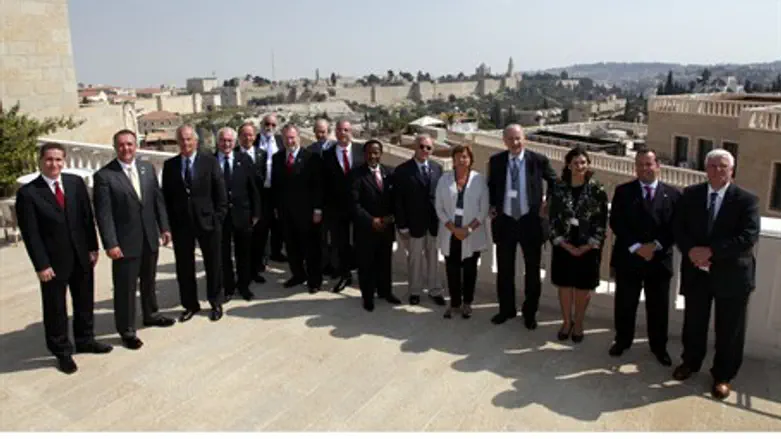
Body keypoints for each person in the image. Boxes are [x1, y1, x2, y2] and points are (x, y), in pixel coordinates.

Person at [16, 143, 112, 374]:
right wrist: (41, 265)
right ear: (40, 161)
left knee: (84, 301)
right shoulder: (29, 194)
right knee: (55, 308)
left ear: (64, 161)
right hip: (53, 262)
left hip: (81, 255)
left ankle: (85, 339)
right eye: (49, 159)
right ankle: (62, 351)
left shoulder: (74, 183)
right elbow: (32, 235)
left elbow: (87, 218)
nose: (54, 164)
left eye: (58, 159)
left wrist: (93, 247)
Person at [672, 149, 760, 400]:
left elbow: (747, 237)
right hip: (696, 272)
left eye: (723, 166)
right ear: (705, 168)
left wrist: (710, 252)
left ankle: (723, 376)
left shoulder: (747, 200)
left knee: (730, 328)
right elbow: (679, 227)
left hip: (732, 274)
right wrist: (691, 250)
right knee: (694, 322)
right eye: (712, 165)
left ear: (732, 170)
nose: (717, 170)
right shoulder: (690, 195)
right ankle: (690, 362)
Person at [93, 129, 176, 351]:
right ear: (115, 147)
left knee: (149, 281)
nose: (126, 149)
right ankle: (127, 330)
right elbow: (104, 214)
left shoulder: (146, 168)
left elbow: (157, 200)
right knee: (125, 288)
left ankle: (151, 314)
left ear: (135, 145)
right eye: (121, 145)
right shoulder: (104, 176)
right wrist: (110, 243)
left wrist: (164, 227)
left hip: (149, 237)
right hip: (124, 243)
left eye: (130, 144)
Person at [609, 148, 680, 365]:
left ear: (658, 166)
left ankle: (659, 347)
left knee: (658, 308)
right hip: (629, 258)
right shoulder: (623, 191)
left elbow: (676, 227)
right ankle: (622, 341)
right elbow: (617, 223)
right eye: (640, 164)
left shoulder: (674, 195)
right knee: (624, 304)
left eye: (648, 164)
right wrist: (637, 246)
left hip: (658, 262)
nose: (644, 168)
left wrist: (655, 246)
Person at [487, 124, 558, 329]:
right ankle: (506, 309)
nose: (515, 143)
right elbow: (492, 186)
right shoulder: (496, 161)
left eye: (518, 138)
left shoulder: (538, 160)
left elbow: (555, 182)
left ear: (524, 138)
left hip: (531, 223)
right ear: (504, 141)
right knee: (505, 270)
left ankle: (529, 313)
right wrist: (492, 206)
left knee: (533, 272)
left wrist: (548, 202)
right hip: (505, 222)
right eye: (510, 139)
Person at [162, 124, 228, 322]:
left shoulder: (209, 162)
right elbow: (166, 197)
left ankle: (216, 302)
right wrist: (167, 225)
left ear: (196, 141)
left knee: (213, 264)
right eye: (182, 139)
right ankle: (190, 305)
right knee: (184, 267)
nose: (185, 143)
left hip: (208, 223)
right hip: (182, 225)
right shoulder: (170, 165)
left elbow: (220, 194)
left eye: (189, 139)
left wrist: (217, 219)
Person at [548, 147, 609, 343]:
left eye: (583, 162)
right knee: (565, 285)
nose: (579, 166)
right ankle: (566, 322)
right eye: (575, 163)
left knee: (583, 287)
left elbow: (601, 220)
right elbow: (552, 218)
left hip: (587, 246)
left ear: (588, 164)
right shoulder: (559, 188)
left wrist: (588, 245)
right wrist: (564, 244)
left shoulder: (597, 189)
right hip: (564, 244)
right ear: (568, 165)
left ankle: (579, 323)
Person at [435, 145, 490, 319]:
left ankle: (467, 303)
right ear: (453, 160)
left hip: (471, 233)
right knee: (451, 269)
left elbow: (483, 209)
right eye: (458, 156)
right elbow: (439, 207)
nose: (461, 159)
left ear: (471, 160)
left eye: (465, 156)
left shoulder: (479, 180)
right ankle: (454, 303)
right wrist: (453, 229)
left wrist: (468, 229)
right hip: (450, 233)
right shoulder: (444, 179)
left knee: (470, 269)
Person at [271, 123, 324, 293]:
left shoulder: (311, 158)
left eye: (292, 137)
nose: (289, 141)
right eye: (286, 138)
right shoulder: (278, 158)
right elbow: (276, 185)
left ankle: (314, 280)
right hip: (286, 212)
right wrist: (277, 208)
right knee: (292, 247)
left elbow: (318, 186)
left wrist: (317, 209)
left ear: (299, 137)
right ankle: (298, 275)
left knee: (311, 248)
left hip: (307, 213)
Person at [394, 133, 446, 306]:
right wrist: (402, 226)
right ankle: (415, 291)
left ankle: (435, 290)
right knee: (415, 260)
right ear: (415, 147)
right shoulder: (403, 170)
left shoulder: (437, 168)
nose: (424, 150)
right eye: (421, 146)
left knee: (434, 259)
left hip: (433, 224)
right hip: (413, 224)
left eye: (428, 147)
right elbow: (398, 201)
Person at [351, 139, 400, 311]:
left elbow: (395, 200)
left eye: (376, 152)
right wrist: (371, 220)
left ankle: (385, 292)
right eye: (369, 153)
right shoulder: (356, 174)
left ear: (381, 153)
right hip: (366, 228)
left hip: (386, 228)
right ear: (364, 154)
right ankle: (368, 297)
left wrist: (389, 218)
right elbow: (354, 204)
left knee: (384, 262)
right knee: (366, 265)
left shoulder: (389, 173)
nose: (373, 156)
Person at [215, 127, 261, 302]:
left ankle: (244, 286)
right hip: (221, 218)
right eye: (223, 140)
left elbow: (253, 188)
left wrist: (256, 212)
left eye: (229, 141)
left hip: (243, 214)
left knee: (244, 253)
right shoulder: (210, 161)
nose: (226, 144)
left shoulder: (244, 159)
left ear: (234, 142)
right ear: (218, 141)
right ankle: (228, 287)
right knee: (224, 254)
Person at [322, 120, 365, 293]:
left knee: (361, 242)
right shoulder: (327, 154)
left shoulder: (361, 152)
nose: (342, 133)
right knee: (341, 243)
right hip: (337, 208)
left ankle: (363, 276)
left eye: (346, 130)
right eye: (339, 130)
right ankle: (345, 275)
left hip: (359, 206)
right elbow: (322, 183)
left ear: (351, 132)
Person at [235, 121, 268, 282]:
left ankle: (255, 270)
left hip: (260, 204)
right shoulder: (232, 154)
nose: (247, 138)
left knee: (259, 240)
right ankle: (243, 274)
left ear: (255, 137)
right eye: (244, 135)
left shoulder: (262, 154)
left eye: (250, 135)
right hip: (241, 207)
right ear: (239, 137)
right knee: (243, 244)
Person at [254, 113, 287, 265]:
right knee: (262, 224)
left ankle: (276, 252)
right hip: (261, 191)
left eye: (273, 125)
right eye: (267, 124)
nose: (270, 128)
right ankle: (261, 256)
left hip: (278, 190)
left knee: (278, 224)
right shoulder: (254, 141)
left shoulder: (282, 142)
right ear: (262, 125)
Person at [307, 118, 336, 276]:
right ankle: (324, 264)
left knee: (336, 236)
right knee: (321, 237)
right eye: (318, 132)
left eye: (323, 132)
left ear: (328, 131)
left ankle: (335, 265)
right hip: (317, 201)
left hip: (334, 200)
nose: (320, 135)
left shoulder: (335, 148)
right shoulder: (310, 150)